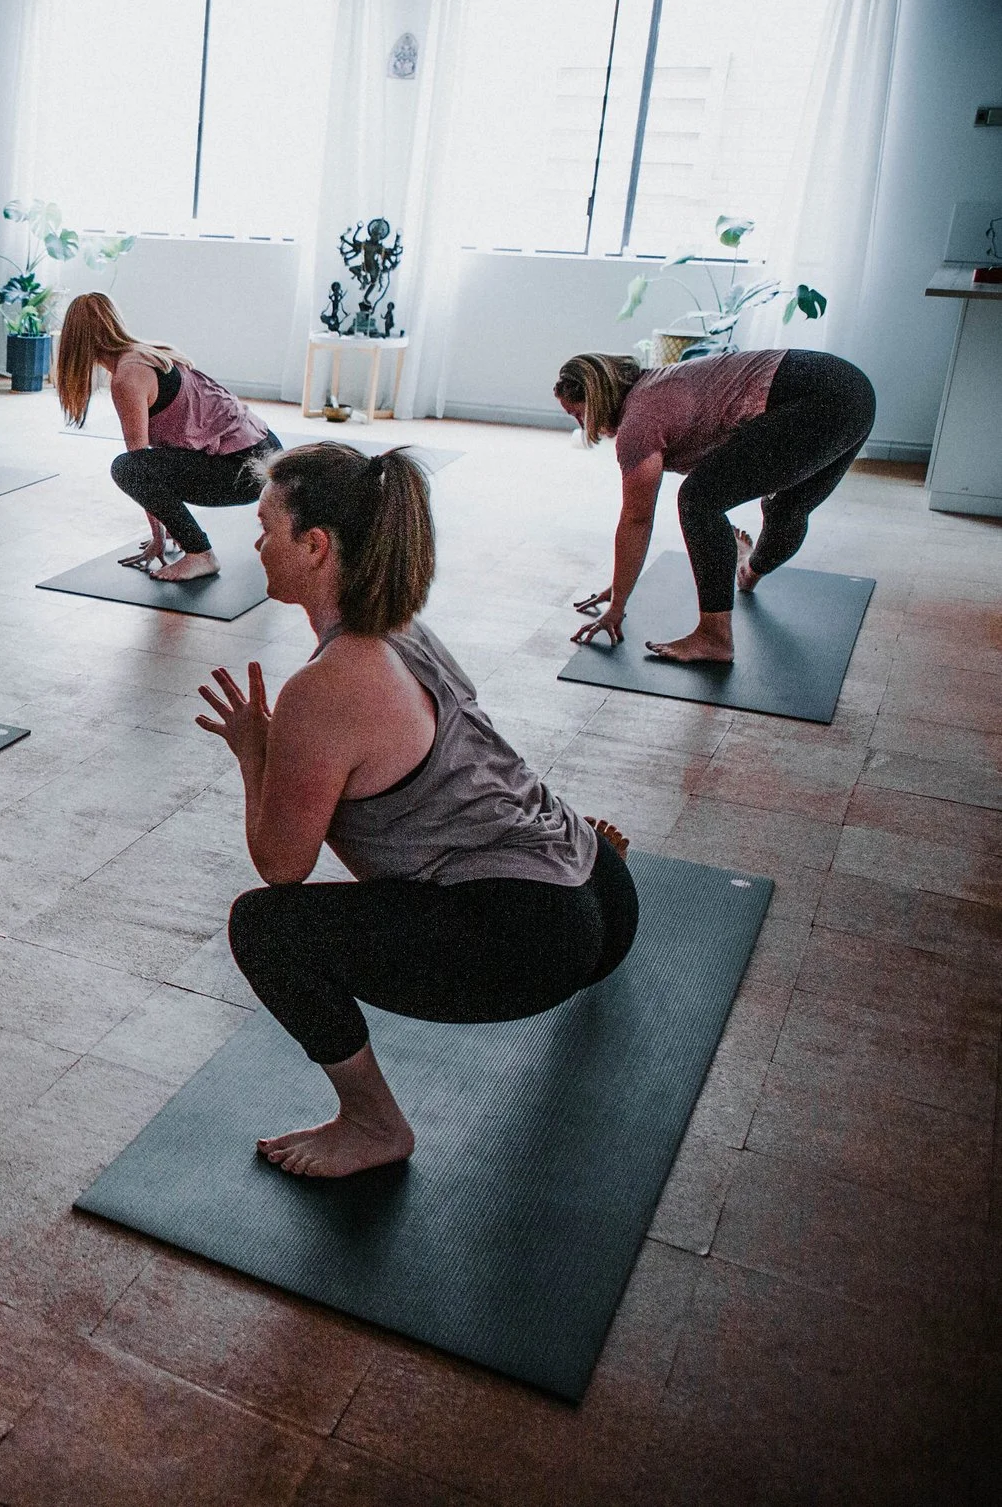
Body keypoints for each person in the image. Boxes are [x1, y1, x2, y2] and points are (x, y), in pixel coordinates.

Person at [195, 443, 638, 1178]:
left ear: (315, 546)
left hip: (536, 943)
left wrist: (254, 752)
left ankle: (373, 1123)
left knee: (265, 930)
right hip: (603, 896)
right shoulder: (407, 630)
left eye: (266, 526)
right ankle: (596, 860)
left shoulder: (325, 686)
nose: (257, 543)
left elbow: (281, 863)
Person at [559, 348, 876, 663]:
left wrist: (617, 607)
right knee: (786, 508)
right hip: (853, 392)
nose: (582, 423)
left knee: (698, 500)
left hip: (818, 399)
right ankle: (748, 572)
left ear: (597, 400)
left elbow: (637, 519)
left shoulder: (639, 423)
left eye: (578, 414)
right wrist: (619, 586)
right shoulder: (654, 385)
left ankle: (714, 637)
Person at [54, 291, 281, 581]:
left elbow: (139, 466)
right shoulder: (152, 352)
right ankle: (193, 545)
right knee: (140, 467)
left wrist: (159, 535)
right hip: (267, 455)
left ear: (77, 341)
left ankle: (201, 554)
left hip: (246, 472)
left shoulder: (127, 377)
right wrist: (165, 525)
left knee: (126, 468)